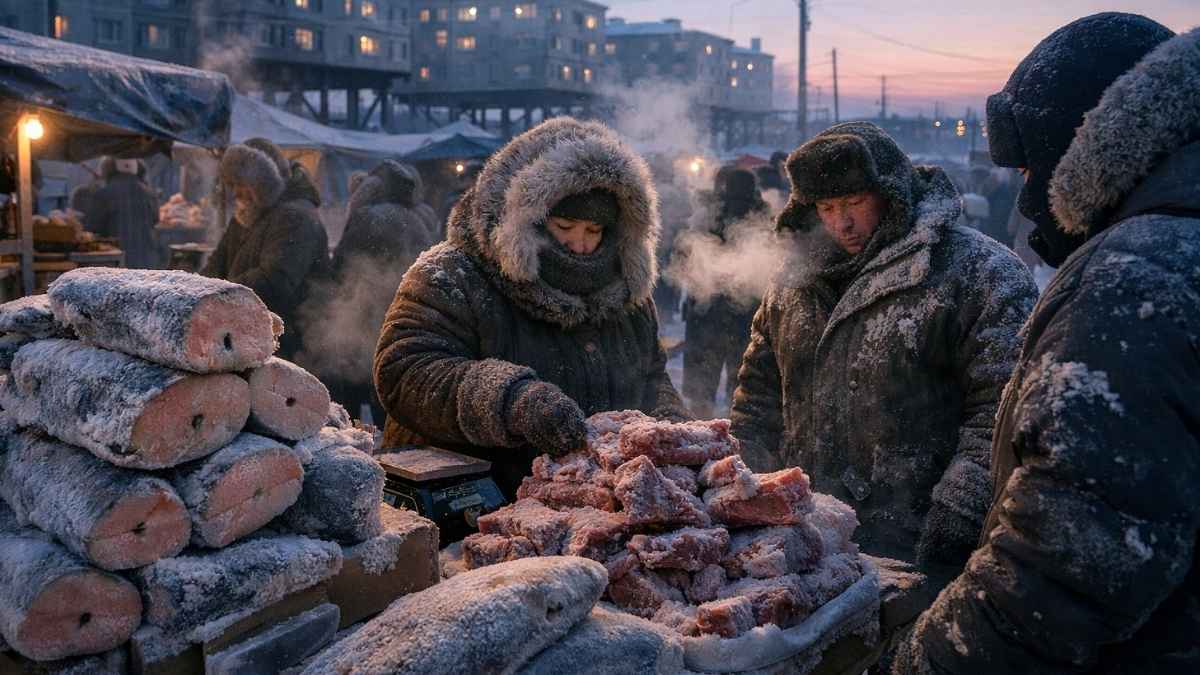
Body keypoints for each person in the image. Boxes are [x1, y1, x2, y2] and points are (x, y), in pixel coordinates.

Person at [895, 15, 1199, 674]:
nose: (1028, 195)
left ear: (1079, 147)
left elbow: (1064, 561)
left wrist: (925, 661)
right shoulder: (1180, 243)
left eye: (1031, 164)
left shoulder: (1128, 278)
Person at [730, 121, 1038, 572]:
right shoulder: (791, 283)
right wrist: (747, 495)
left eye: (856, 202)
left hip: (920, 543)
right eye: (828, 206)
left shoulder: (979, 274)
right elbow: (757, 399)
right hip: (806, 544)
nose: (843, 222)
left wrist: (958, 514)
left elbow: (1000, 412)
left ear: (891, 192)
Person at [374, 118, 688, 497]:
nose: (580, 244)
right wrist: (510, 399)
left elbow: (651, 376)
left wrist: (673, 430)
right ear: (527, 216)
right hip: (472, 506)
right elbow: (405, 370)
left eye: (594, 231)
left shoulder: (624, 292)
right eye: (565, 226)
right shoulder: (453, 274)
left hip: (592, 512)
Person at [203, 138, 331, 361]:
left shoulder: (295, 217)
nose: (236, 193)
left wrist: (219, 296)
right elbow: (217, 263)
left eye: (241, 183)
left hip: (290, 343)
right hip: (250, 337)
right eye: (232, 184)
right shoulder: (248, 213)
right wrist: (199, 293)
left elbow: (274, 282)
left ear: (264, 182)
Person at [324, 159, 431, 423]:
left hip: (364, 316)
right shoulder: (417, 219)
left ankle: (353, 450)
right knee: (388, 394)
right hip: (404, 316)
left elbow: (341, 266)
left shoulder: (368, 216)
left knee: (351, 389)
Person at [681, 166, 768, 419]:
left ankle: (701, 430)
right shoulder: (761, 214)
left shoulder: (706, 213)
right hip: (745, 311)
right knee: (740, 379)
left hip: (707, 309)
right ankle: (734, 430)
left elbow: (685, 258)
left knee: (702, 384)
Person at [88, 158, 159, 268]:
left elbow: (93, 227)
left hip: (116, 262)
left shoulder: (103, 194)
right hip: (146, 261)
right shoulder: (150, 195)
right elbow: (155, 220)